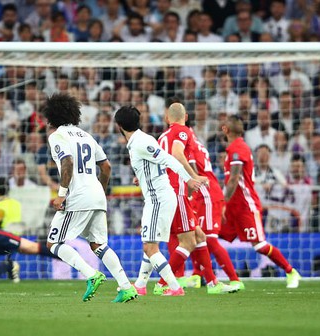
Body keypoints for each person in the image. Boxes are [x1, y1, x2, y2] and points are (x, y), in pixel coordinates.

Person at [43, 93, 136, 303]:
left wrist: (61, 195)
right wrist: (100, 192)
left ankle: (91, 274)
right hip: (96, 194)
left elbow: (67, 163)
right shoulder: (86, 136)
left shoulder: (57, 136)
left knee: (53, 243)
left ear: (52, 115)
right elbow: (106, 167)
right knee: (99, 245)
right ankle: (126, 287)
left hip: (77, 196)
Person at [114, 105, 206, 297]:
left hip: (158, 198)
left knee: (150, 247)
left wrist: (189, 178)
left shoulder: (140, 142)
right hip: (159, 197)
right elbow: (153, 163)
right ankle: (140, 285)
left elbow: (170, 159)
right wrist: (140, 175)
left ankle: (174, 287)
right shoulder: (140, 141)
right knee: (149, 243)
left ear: (119, 125)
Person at [153, 103, 237, 295]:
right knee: (188, 241)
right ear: (187, 116)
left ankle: (213, 284)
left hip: (165, 191)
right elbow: (177, 153)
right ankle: (162, 283)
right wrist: (193, 177)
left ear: (167, 118)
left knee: (199, 236)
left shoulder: (161, 137)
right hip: (177, 190)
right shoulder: (183, 131)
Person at [222, 116, 300, 288]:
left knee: (259, 245)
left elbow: (234, 179)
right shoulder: (234, 149)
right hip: (232, 207)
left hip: (245, 207)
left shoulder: (238, 148)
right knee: (209, 236)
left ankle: (290, 271)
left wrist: (222, 202)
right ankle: (211, 278)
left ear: (226, 130)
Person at [183, 129, 244, 290]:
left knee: (208, 239)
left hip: (206, 194)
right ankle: (198, 275)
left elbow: (194, 172)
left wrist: (189, 193)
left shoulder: (188, 144)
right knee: (196, 235)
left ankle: (235, 279)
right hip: (201, 194)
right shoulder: (197, 144)